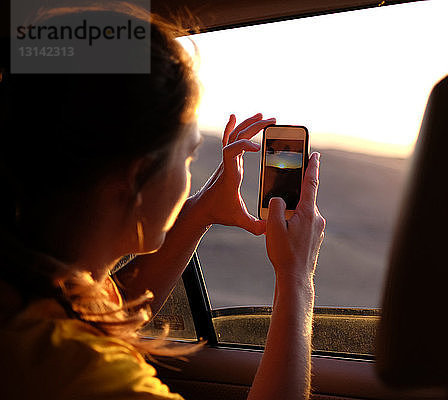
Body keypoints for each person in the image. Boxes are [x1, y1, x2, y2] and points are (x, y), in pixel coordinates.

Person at [0, 3, 325, 400]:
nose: (189, 172)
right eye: (188, 156)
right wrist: (296, 279)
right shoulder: (87, 372)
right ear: (138, 176)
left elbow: (105, 308)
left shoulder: (30, 297)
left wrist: (202, 210)